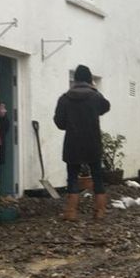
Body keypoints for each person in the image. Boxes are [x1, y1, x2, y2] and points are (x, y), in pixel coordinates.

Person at [53, 65, 110, 221]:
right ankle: (99, 211)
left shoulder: (64, 98)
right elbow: (106, 107)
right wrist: (95, 90)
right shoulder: (95, 97)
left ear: (75, 79)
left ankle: (71, 212)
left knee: (72, 177)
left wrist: (70, 124)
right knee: (97, 176)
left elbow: (59, 122)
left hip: (73, 143)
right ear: (89, 79)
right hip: (93, 142)